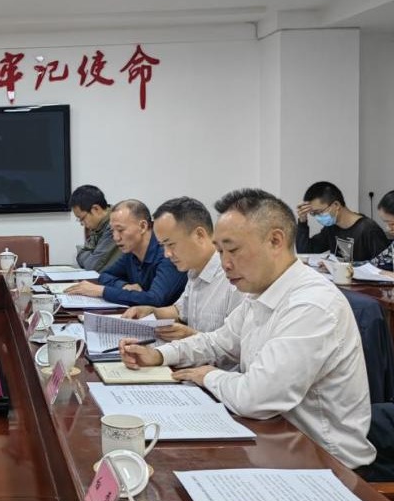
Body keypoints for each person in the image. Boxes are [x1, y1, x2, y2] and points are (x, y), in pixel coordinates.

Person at [121, 188, 376, 470]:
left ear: (275, 241)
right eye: (220, 251)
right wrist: (160, 355)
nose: (225, 263)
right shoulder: (260, 293)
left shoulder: (311, 305)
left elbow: (257, 398)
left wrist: (208, 375)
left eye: (233, 250)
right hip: (273, 441)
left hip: (325, 464)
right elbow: (217, 342)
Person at [123, 197, 242, 341]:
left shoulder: (234, 279)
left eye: (171, 244)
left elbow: (236, 346)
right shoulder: (194, 270)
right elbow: (180, 310)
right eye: (163, 246)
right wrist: (152, 311)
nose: (167, 254)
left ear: (199, 235)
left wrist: (191, 336)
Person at [66, 199, 186, 307]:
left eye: (120, 230)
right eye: (113, 231)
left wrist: (102, 291)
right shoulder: (131, 251)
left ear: (143, 226)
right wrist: (123, 286)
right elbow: (105, 275)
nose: (116, 237)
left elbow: (155, 299)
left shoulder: (168, 254)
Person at [295, 181, 388, 262]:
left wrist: (345, 268)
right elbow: (306, 252)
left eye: (319, 212)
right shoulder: (331, 227)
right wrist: (302, 221)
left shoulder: (368, 229)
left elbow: (384, 267)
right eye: (313, 214)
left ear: (336, 205)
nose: (317, 217)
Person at [68, 184, 122, 272]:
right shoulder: (97, 226)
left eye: (82, 218)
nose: (81, 223)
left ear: (96, 209)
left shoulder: (114, 226)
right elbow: (80, 255)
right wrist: (90, 255)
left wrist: (90, 255)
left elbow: (92, 266)